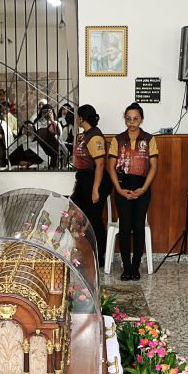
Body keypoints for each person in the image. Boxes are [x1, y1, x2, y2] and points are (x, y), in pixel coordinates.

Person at [106, 102, 159, 280]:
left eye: (135, 118)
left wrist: (143, 189)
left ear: (141, 119)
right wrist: (119, 190)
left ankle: (136, 267)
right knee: (125, 225)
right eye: (128, 118)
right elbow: (111, 167)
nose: (132, 122)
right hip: (122, 185)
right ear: (125, 120)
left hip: (143, 187)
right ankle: (126, 267)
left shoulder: (149, 139)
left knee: (138, 226)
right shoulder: (117, 139)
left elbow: (153, 167)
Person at [71, 104, 111, 263]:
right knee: (75, 214)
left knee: (94, 219)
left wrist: (95, 190)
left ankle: (99, 256)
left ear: (81, 118)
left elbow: (100, 164)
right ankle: (83, 252)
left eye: (77, 117)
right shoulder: (86, 135)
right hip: (84, 179)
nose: (76, 120)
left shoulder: (95, 137)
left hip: (95, 180)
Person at [34, 103, 64, 168]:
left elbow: (57, 132)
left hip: (53, 150)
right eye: (44, 112)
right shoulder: (37, 123)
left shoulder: (56, 123)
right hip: (40, 151)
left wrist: (52, 120)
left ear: (52, 112)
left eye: (49, 112)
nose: (46, 114)